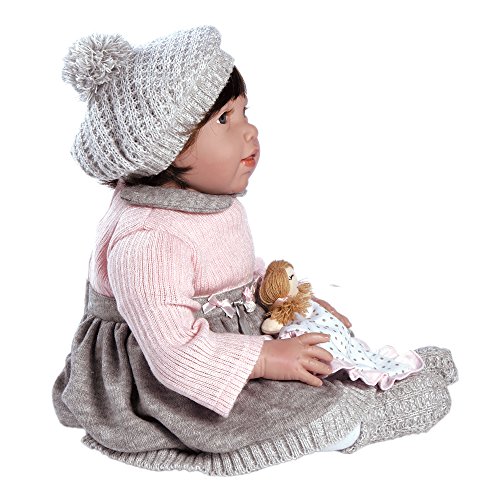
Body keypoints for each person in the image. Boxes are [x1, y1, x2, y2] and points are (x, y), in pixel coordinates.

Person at [52, 25, 458, 476]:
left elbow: (230, 272)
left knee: (316, 355)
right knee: (284, 409)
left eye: (245, 112)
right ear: (164, 147)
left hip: (225, 337)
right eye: (225, 120)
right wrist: (264, 358)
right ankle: (352, 422)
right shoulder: (148, 240)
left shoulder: (204, 199)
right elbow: (174, 352)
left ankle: (382, 373)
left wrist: (285, 300)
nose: (250, 131)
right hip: (174, 373)